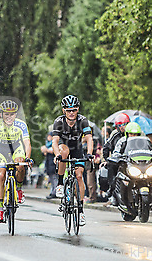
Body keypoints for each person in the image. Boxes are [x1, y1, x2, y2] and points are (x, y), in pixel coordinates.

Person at [52, 95, 94, 226]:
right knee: (63, 152)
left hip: (77, 148)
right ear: (64, 110)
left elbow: (89, 138)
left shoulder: (83, 120)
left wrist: (89, 154)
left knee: (79, 175)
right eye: (68, 110)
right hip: (64, 147)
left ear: (78, 110)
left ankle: (80, 211)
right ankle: (60, 184)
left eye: (74, 110)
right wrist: (57, 154)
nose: (71, 113)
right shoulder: (59, 121)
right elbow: (55, 141)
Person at [0, 100, 32, 223]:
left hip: (16, 149)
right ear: (1, 114)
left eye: (12, 114)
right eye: (6, 114)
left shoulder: (21, 125)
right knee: (1, 174)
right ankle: (0, 209)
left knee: (21, 164)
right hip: (1, 150)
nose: (9, 117)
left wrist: (27, 157)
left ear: (16, 115)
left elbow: (27, 143)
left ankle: (18, 189)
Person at [101, 113, 130, 205]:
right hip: (117, 159)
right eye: (120, 125)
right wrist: (106, 159)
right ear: (117, 126)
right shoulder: (115, 134)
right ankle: (112, 191)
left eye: (125, 124)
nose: (123, 127)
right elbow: (106, 146)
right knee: (111, 167)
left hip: (131, 159)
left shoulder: (135, 132)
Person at [41, 132, 58, 199]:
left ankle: (55, 192)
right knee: (51, 178)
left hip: (53, 163)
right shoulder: (47, 144)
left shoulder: (54, 144)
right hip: (48, 163)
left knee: (54, 178)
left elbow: (54, 151)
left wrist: (47, 150)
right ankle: (53, 191)